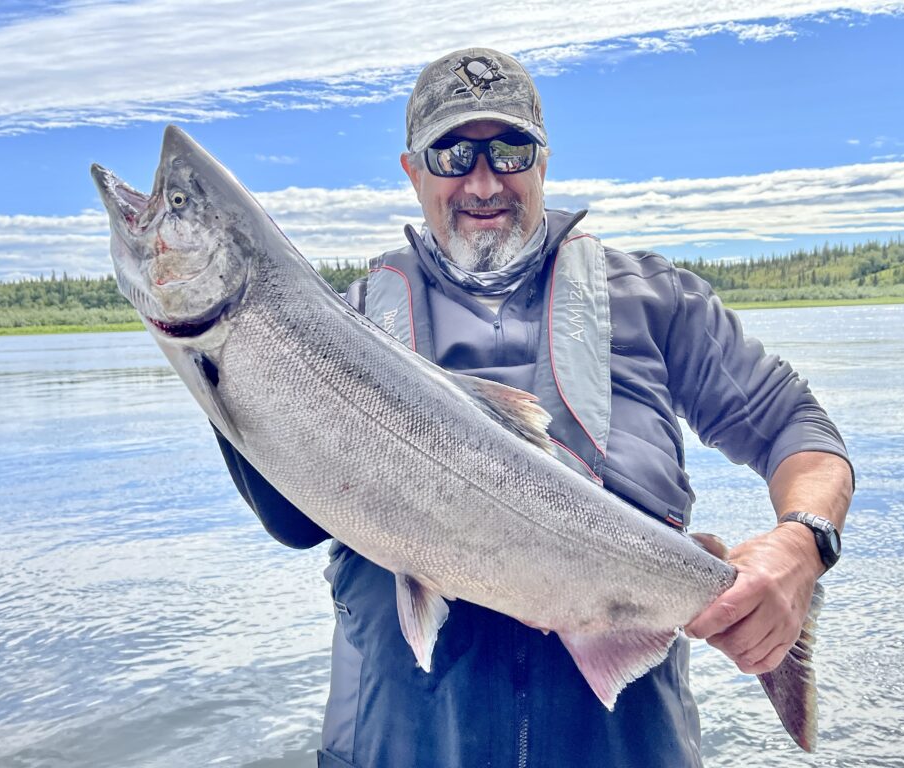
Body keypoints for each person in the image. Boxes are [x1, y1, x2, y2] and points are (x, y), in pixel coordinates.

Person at [214, 48, 854, 768]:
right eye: (453, 154)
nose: (483, 181)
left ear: (544, 161)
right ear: (413, 171)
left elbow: (798, 429)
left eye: (510, 150)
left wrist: (802, 544)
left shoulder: (657, 302)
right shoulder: (336, 331)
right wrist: (227, 364)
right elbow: (293, 523)